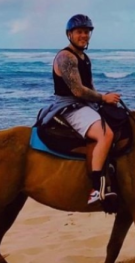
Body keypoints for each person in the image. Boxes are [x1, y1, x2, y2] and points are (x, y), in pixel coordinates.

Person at [51, 14, 121, 204]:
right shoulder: (66, 57)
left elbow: (89, 86)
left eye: (86, 32)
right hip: (69, 106)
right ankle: (96, 188)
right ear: (70, 34)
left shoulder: (84, 57)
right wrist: (103, 98)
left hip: (84, 104)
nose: (84, 35)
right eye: (79, 32)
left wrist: (103, 101)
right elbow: (78, 90)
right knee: (106, 135)